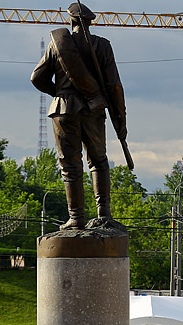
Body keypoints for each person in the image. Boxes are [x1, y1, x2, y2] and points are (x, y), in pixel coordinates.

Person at [31, 2, 128, 230]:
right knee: (99, 160)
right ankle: (103, 213)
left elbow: (36, 78)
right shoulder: (102, 46)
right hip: (93, 109)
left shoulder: (57, 44)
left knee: (70, 166)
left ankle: (76, 218)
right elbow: (114, 85)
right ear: (89, 22)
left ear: (72, 21)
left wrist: (59, 93)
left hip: (63, 110)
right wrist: (121, 119)